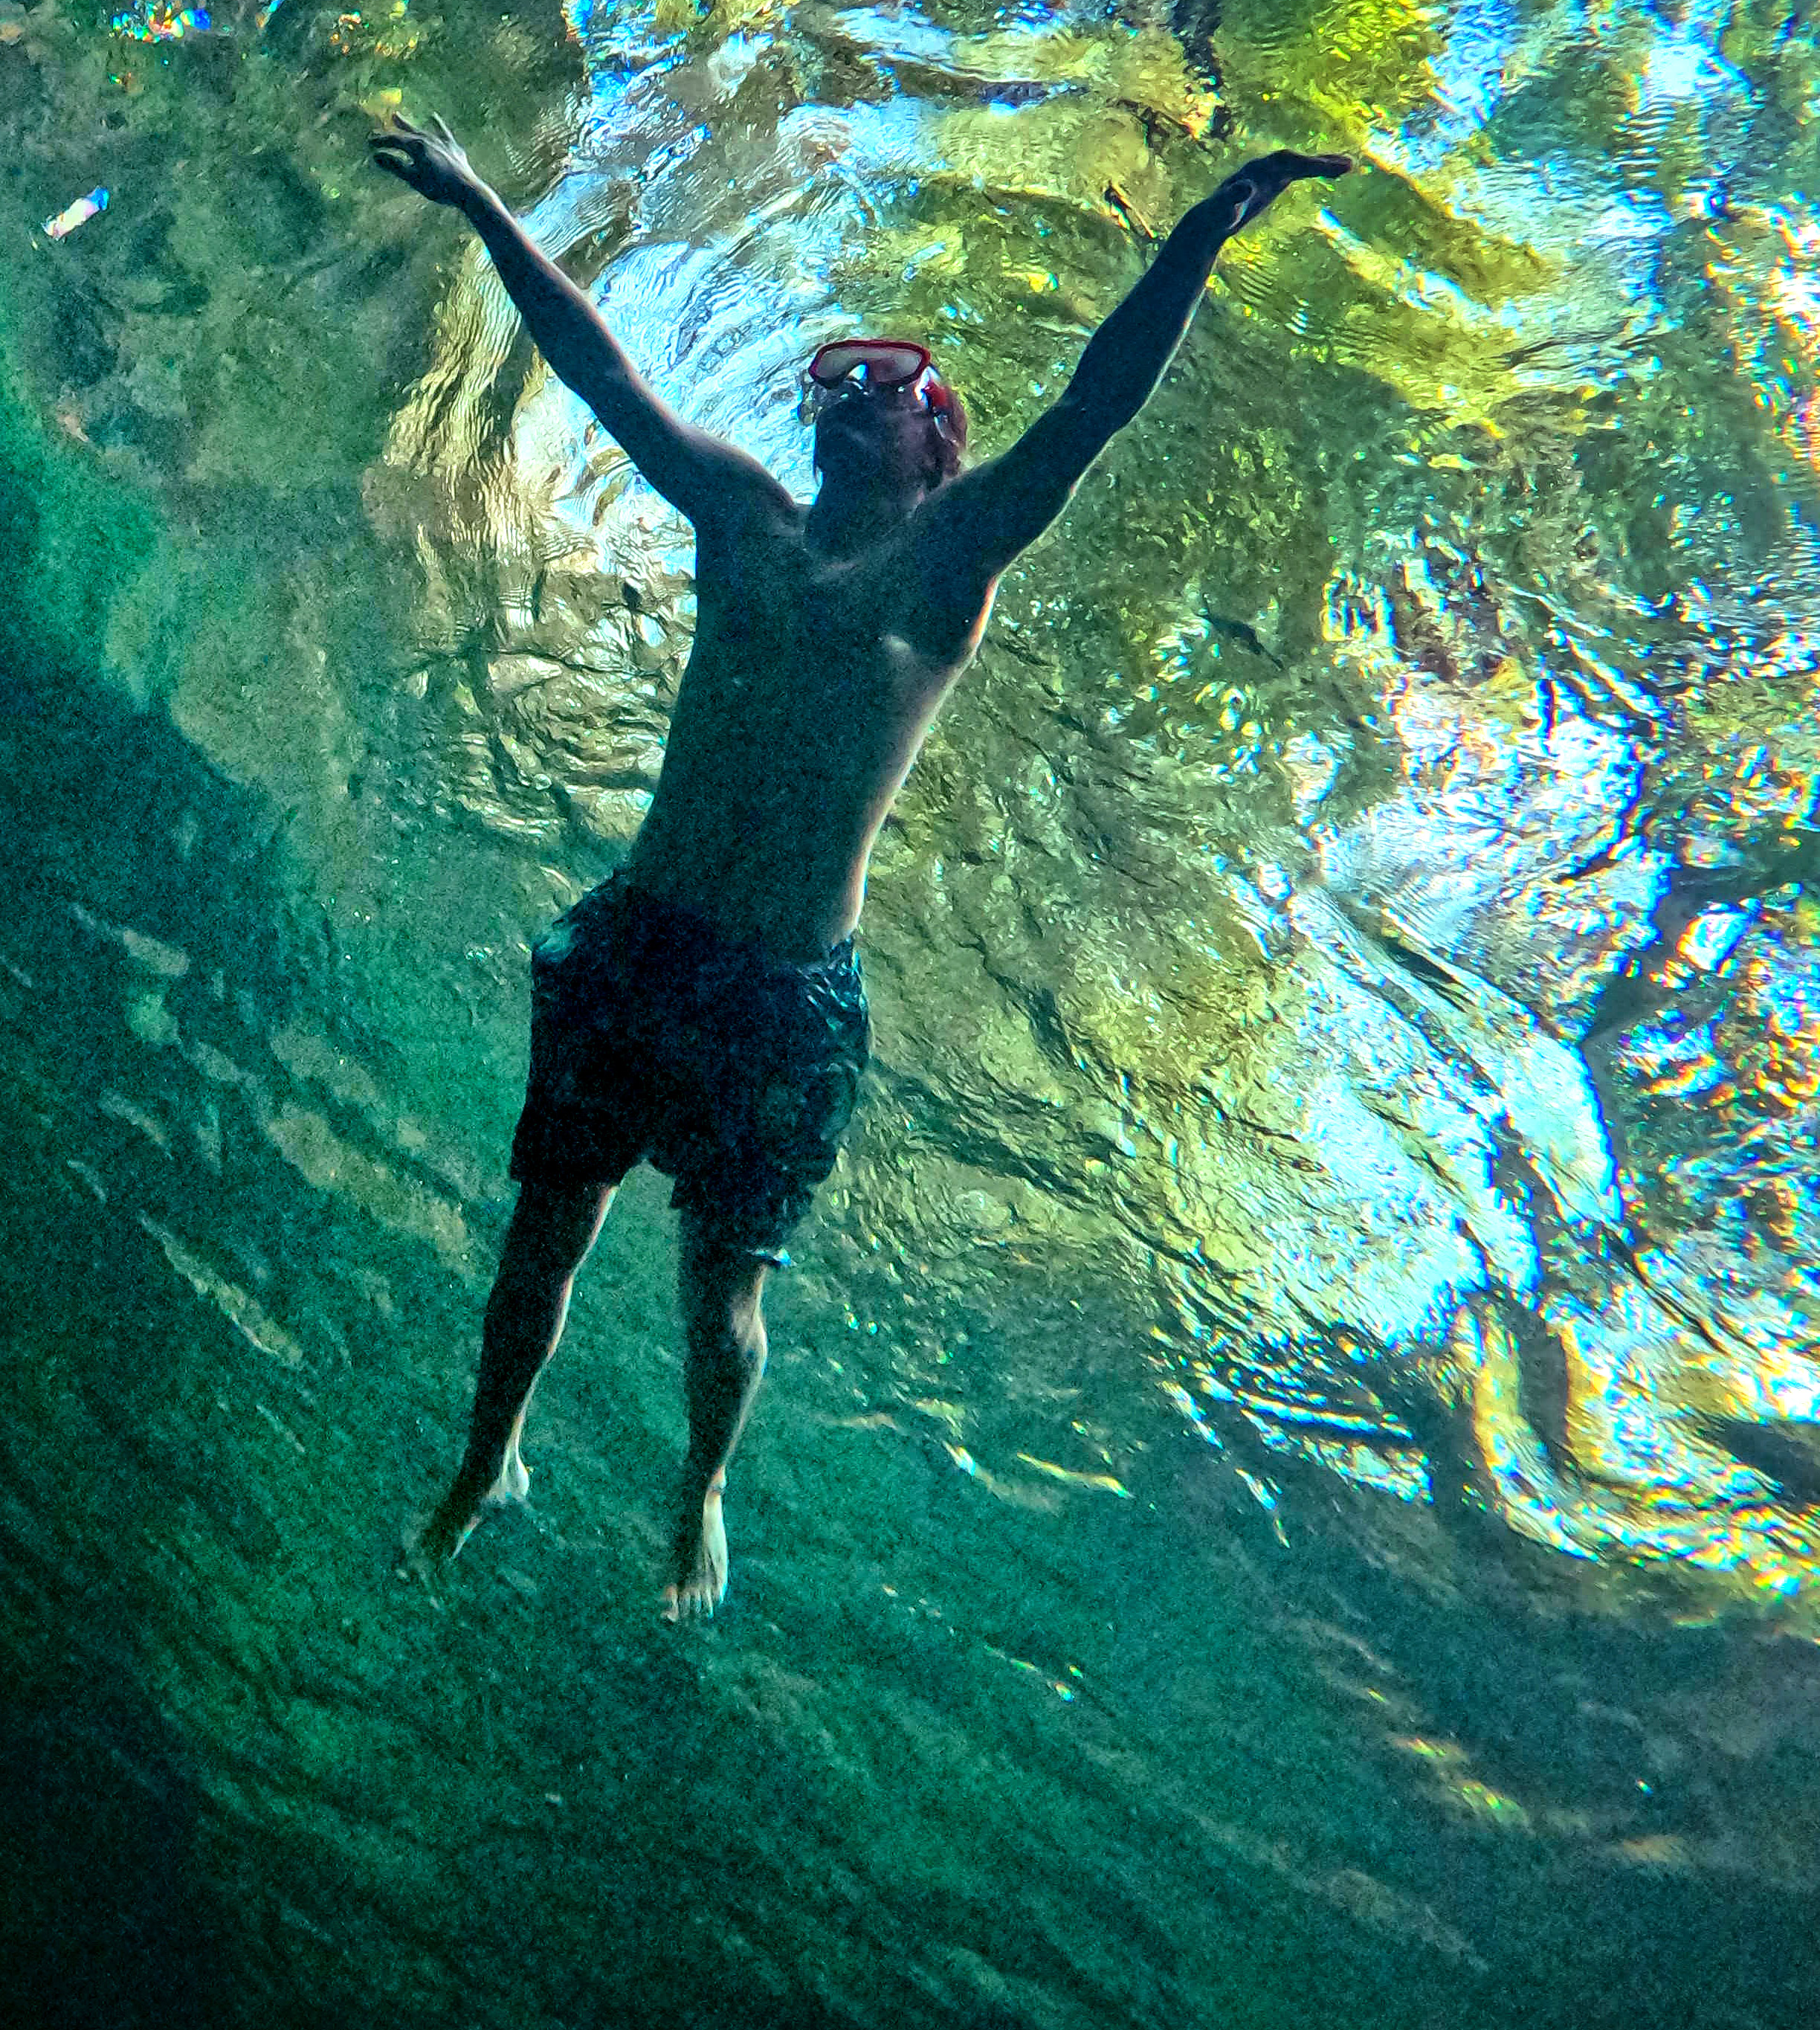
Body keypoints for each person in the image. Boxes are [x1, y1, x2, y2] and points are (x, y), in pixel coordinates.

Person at [368, 113, 1351, 1618]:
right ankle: (488, 1457)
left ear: (937, 438)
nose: (841, 401)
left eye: (881, 390)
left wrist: (1209, 225)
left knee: (718, 1303)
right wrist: (482, 202)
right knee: (541, 1238)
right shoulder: (742, 518)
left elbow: (1093, 405)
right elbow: (602, 373)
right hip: (639, 942)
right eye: (830, 385)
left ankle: (702, 1485)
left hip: (782, 995)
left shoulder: (948, 563)